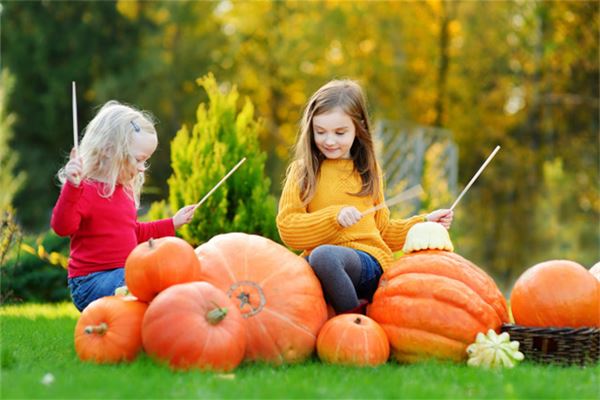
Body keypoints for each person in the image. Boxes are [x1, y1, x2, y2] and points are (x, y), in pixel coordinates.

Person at [276, 80, 453, 314]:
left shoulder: (368, 172)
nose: (329, 141)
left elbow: (383, 231)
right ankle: (335, 317)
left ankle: (357, 323)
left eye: (340, 133)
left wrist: (424, 222)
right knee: (299, 269)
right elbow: (288, 228)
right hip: (323, 264)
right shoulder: (303, 172)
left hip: (367, 263)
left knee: (324, 256)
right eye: (320, 132)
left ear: (358, 129)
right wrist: (333, 218)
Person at [51, 101, 197, 311]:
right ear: (111, 150)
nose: (141, 168)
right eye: (139, 159)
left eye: (145, 161)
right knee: (139, 282)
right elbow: (62, 227)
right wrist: (72, 188)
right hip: (89, 283)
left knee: (155, 277)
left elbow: (134, 232)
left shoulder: (123, 191)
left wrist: (173, 223)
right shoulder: (83, 190)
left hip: (123, 274)